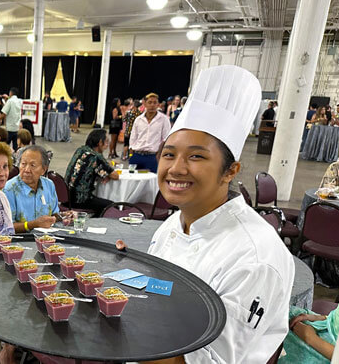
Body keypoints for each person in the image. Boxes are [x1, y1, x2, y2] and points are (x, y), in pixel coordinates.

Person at [116, 65, 294, 364]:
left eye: (196, 156)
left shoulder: (255, 256)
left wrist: (104, 336)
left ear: (230, 171)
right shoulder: (176, 223)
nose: (176, 168)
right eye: (169, 154)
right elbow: (162, 291)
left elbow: (205, 360)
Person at [4, 145, 59, 233]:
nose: (27, 170)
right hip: (21, 241)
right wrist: (34, 224)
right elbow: (7, 227)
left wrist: (64, 216)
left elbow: (54, 214)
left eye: (32, 165)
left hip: (47, 238)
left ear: (43, 170)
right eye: (23, 164)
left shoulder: (49, 185)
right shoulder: (9, 189)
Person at [65, 129, 120, 214]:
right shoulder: (96, 157)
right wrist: (107, 174)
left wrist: (104, 172)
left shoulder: (81, 150)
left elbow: (88, 167)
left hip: (66, 196)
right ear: (100, 142)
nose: (107, 145)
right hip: (81, 199)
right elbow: (115, 176)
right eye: (106, 142)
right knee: (112, 206)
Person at [129, 92, 171, 172]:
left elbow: (166, 139)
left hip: (152, 157)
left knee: (151, 183)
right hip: (137, 155)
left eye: (155, 103)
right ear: (144, 104)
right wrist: (131, 155)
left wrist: (158, 155)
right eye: (150, 102)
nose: (152, 105)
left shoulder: (163, 119)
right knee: (134, 181)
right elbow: (133, 137)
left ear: (158, 104)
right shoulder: (138, 120)